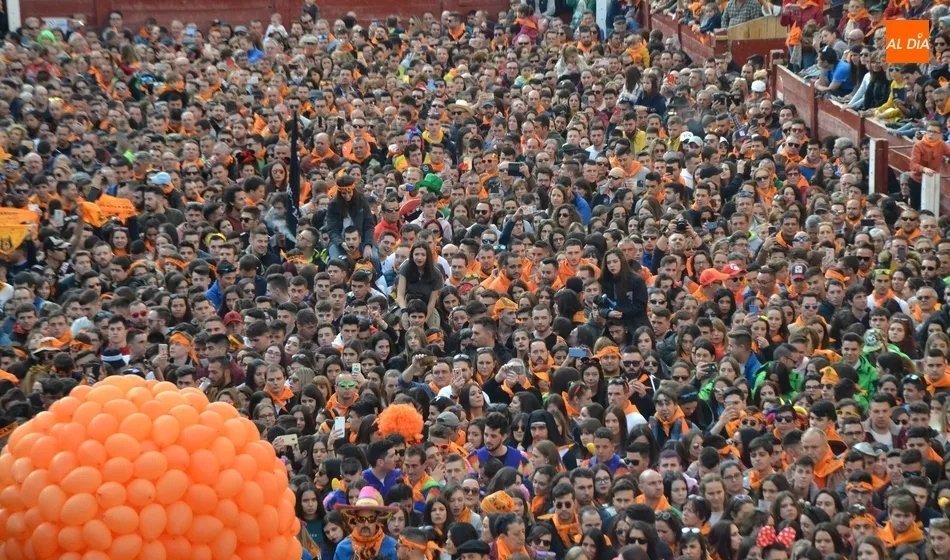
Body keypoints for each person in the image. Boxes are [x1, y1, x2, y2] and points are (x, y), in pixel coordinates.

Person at [333, 487, 400, 560]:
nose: (366, 524)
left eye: (371, 519)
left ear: (377, 519)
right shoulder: (342, 548)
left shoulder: (393, 547)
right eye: (361, 519)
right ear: (355, 519)